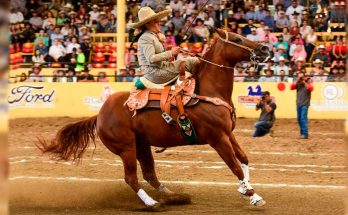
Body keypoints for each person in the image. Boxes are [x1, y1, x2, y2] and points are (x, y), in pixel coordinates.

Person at [129, 7, 199, 85]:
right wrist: (171, 53)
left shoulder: (152, 36)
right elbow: (151, 59)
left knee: (192, 60)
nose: (159, 22)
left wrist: (171, 51)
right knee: (193, 61)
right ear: (147, 24)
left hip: (160, 68)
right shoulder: (146, 37)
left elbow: (160, 57)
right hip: (154, 73)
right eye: (156, 21)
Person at [290, 72, 314, 139]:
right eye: (300, 76)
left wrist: (304, 82)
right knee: (299, 119)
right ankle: (302, 133)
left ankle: (305, 134)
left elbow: (311, 88)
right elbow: (291, 87)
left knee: (303, 118)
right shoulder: (298, 83)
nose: (301, 78)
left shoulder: (308, 82)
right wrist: (297, 80)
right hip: (299, 103)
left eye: (302, 76)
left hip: (305, 103)